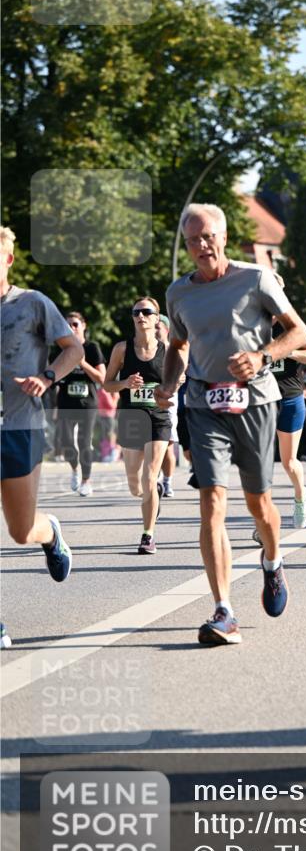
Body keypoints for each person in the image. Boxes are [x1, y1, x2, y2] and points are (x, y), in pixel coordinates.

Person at [158, 202, 306, 646]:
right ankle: (224, 610)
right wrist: (169, 382)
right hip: (204, 402)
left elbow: (298, 332)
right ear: (186, 246)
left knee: (259, 502)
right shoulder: (178, 293)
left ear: (224, 237)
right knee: (211, 502)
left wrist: (263, 356)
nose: (202, 246)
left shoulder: (255, 278)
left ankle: (273, 559)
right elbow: (177, 344)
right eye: (193, 240)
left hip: (257, 401)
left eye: (209, 237)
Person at [1, 226, 83, 648]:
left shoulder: (32, 304)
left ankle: (49, 531)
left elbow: (74, 350)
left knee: (19, 531)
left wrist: (47, 375)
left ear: (8, 260)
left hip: (19, 427)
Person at [104, 297, 173, 554]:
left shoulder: (167, 349)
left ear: (157, 318)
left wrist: (170, 388)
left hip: (158, 417)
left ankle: (148, 534)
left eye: (146, 312)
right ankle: (150, 494)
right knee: (135, 482)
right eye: (136, 312)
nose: (140, 316)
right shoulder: (122, 349)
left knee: (150, 475)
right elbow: (107, 383)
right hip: (131, 418)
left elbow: (178, 378)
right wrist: (124, 384)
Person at [269, 274, 306, 529]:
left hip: (289, 397)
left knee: (289, 462)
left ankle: (301, 495)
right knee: (261, 461)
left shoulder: (293, 325)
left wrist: (290, 351)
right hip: (262, 401)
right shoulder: (253, 325)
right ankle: (264, 516)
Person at [55, 311, 106, 496]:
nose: (72, 328)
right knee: (66, 442)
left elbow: (102, 378)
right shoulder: (61, 349)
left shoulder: (92, 348)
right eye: (68, 324)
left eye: (75, 324)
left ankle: (86, 480)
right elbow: (54, 378)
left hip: (87, 404)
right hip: (66, 404)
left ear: (83, 326)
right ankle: (75, 469)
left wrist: (82, 363)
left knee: (84, 441)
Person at [156, 313, 179, 497]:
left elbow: (182, 374)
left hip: (169, 400)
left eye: (158, 327)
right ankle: (153, 479)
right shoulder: (145, 349)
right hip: (148, 400)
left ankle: (168, 481)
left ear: (166, 330)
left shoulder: (173, 350)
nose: (154, 330)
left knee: (168, 443)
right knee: (151, 442)